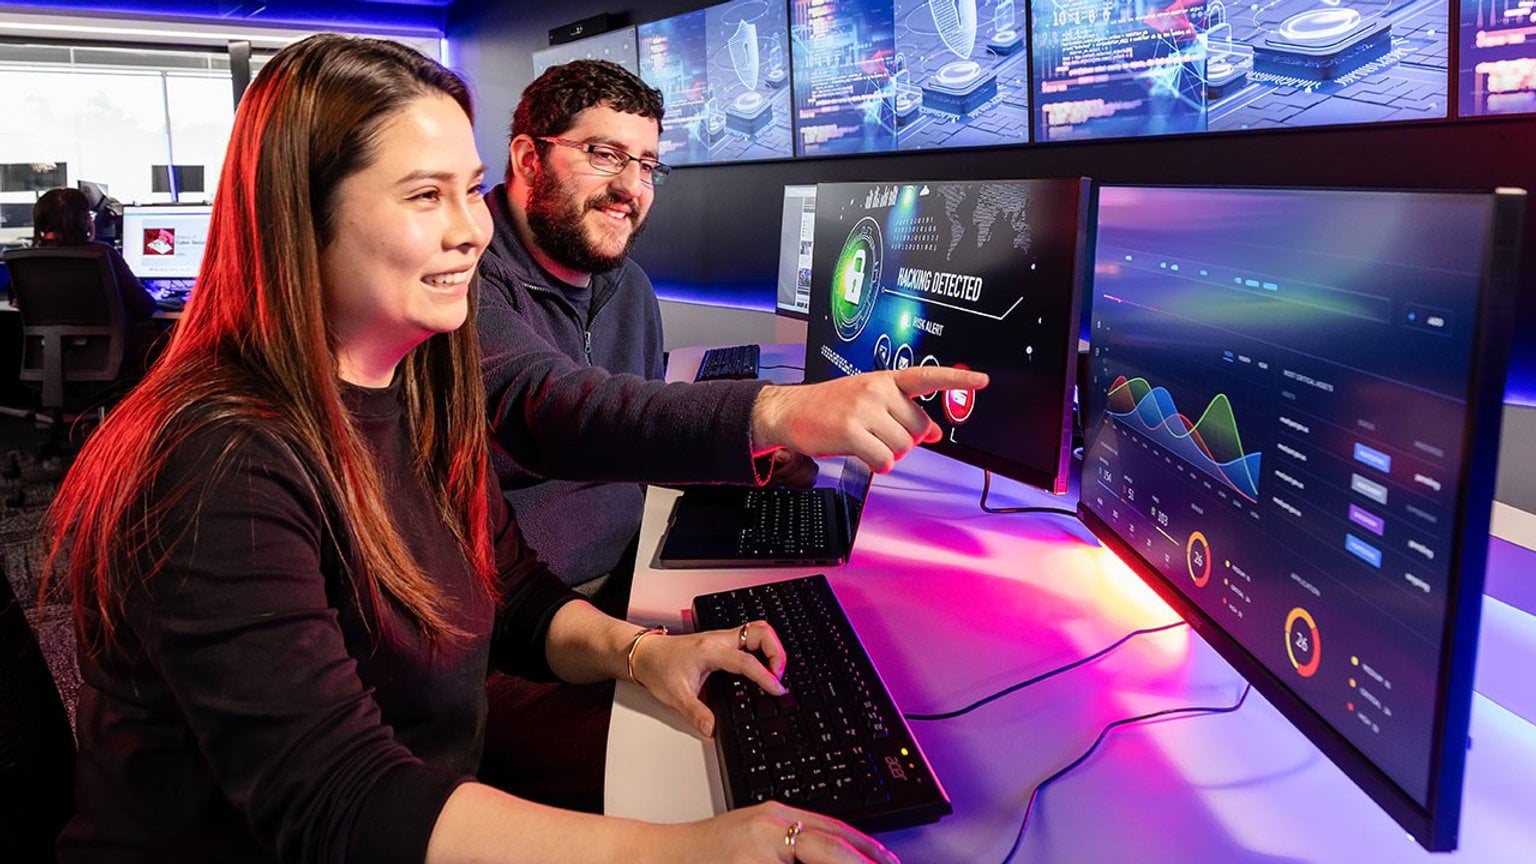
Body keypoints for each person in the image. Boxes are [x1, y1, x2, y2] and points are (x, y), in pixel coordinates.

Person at [42, 34, 905, 864]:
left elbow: (515, 592)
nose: (473, 230)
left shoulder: (418, 380)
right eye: (426, 196)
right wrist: (685, 851)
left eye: (471, 190)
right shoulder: (219, 460)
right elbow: (339, 800)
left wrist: (647, 653)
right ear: (300, 216)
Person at [479, 59, 986, 598]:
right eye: (605, 155)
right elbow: (561, 410)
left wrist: (763, 454)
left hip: (638, 559)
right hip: (540, 606)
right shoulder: (461, 285)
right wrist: (774, 411)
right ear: (529, 159)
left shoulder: (626, 286)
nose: (632, 187)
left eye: (647, 165)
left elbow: (632, 438)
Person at [27, 187, 161, 371]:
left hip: (45, 363)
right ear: (84, 222)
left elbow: (18, 302)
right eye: (88, 215)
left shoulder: (26, 260)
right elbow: (145, 308)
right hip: (108, 362)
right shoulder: (102, 254)